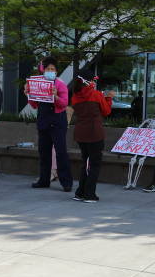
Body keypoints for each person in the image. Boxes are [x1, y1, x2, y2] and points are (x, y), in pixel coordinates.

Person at [24, 56, 73, 192]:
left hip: (58, 121)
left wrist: (56, 96)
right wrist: (28, 94)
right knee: (44, 152)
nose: (50, 71)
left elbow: (64, 104)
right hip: (43, 120)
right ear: (43, 71)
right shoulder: (38, 83)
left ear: (56, 72)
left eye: (53, 69)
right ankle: (44, 180)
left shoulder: (60, 84)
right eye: (48, 69)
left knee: (61, 152)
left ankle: (66, 182)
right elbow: (34, 105)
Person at [71, 70, 115, 203]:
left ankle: (80, 192)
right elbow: (106, 111)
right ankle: (89, 194)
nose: (95, 82)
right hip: (95, 133)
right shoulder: (96, 95)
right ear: (88, 81)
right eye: (93, 80)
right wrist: (108, 98)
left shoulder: (74, 96)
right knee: (94, 164)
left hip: (80, 133)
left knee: (86, 163)